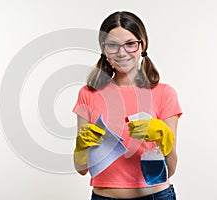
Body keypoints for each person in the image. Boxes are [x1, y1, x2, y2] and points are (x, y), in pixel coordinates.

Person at [73, 11, 182, 200]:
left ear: (142, 45)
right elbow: (81, 168)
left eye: (130, 44)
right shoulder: (88, 94)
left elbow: (170, 168)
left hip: (156, 196)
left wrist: (166, 139)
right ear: (104, 49)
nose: (122, 53)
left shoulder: (165, 93)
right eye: (113, 45)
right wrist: (80, 148)